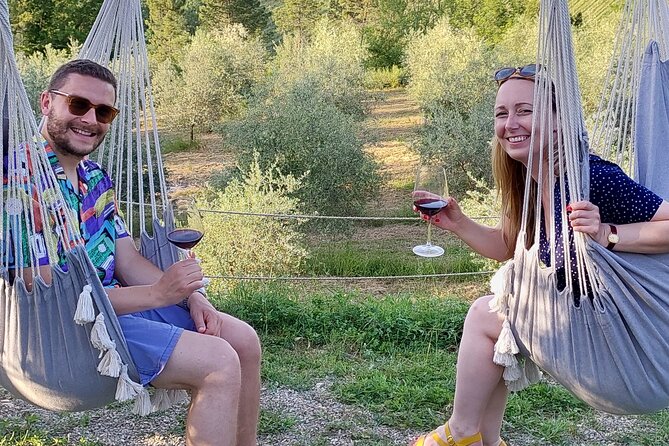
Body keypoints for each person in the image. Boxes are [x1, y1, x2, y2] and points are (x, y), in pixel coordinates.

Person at [411, 64, 669, 446]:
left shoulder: (590, 177)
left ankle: (461, 433)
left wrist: (607, 233)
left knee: (487, 315)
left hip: (629, 347)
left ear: (557, 122)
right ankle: (483, 439)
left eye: (525, 110)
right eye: (502, 113)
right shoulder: (530, 184)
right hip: (580, 335)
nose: (510, 123)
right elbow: (508, 247)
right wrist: (459, 223)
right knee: (494, 328)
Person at [8, 59, 261, 446]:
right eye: (78, 105)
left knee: (242, 341)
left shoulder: (95, 177)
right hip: (60, 335)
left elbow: (126, 259)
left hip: (117, 307)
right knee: (218, 363)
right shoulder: (16, 183)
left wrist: (191, 295)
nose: (90, 119)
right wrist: (160, 295)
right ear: (46, 102)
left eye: (104, 111)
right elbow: (48, 298)